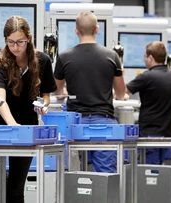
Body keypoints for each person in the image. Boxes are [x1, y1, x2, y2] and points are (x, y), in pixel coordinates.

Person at [0, 16, 57, 203]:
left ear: (28, 38)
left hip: (26, 125)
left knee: (15, 189)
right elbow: (0, 100)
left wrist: (44, 105)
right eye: (11, 42)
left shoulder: (43, 61)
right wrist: (12, 124)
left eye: (20, 42)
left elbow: (46, 94)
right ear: (5, 40)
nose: (15, 47)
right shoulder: (1, 64)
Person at [54, 11, 126, 173]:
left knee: (72, 173)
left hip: (75, 123)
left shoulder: (64, 57)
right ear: (97, 29)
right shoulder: (112, 56)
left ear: (76, 30)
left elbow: (57, 90)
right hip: (104, 123)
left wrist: (63, 91)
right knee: (105, 175)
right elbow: (121, 92)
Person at [126, 41, 171, 164]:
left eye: (145, 57)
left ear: (151, 58)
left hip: (149, 136)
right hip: (167, 136)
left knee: (149, 176)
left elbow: (123, 92)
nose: (144, 60)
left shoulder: (146, 77)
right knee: (159, 175)